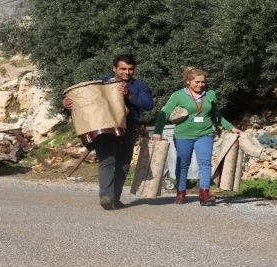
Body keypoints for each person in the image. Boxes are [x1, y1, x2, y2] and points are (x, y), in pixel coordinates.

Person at [63, 54, 154, 210]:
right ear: (114, 69)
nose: (127, 72)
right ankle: (106, 197)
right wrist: (66, 104)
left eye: (130, 69)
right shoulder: (100, 83)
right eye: (123, 69)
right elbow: (85, 101)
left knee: (123, 165)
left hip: (129, 128)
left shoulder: (140, 86)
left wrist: (128, 95)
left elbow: (148, 105)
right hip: (105, 128)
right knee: (107, 161)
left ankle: (115, 198)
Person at [151, 67, 241, 206]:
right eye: (197, 82)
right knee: (183, 164)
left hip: (205, 133)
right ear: (188, 81)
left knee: (205, 163)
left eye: (203, 82)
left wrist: (231, 127)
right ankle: (181, 192)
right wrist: (158, 131)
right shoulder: (178, 95)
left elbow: (216, 115)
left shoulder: (210, 94)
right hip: (183, 135)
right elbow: (164, 114)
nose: (200, 85)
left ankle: (204, 193)